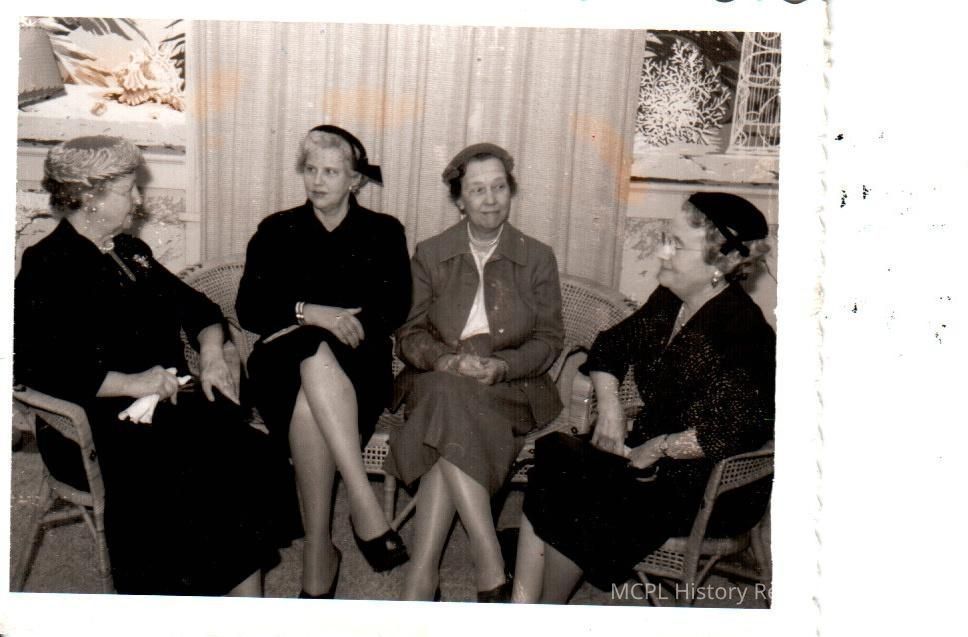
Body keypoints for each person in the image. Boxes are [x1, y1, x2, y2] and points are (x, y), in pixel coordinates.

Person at [14, 136, 300, 596]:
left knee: (250, 455)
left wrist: (213, 354)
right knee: (202, 475)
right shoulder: (47, 264)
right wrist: (132, 382)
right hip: (97, 422)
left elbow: (198, 306)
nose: (139, 199)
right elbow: (38, 367)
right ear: (89, 197)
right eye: (128, 189)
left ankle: (245, 608)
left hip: (168, 402)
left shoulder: (128, 250)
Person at [513, 192, 775, 603]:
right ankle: (522, 610)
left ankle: (547, 613)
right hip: (649, 457)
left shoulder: (744, 333)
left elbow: (731, 431)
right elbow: (610, 346)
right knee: (555, 459)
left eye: (677, 245)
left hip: (708, 484)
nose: (662, 252)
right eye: (666, 239)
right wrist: (611, 408)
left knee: (583, 496)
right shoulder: (671, 299)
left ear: (720, 263)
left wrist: (656, 449)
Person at [236, 125, 412, 598]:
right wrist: (310, 313)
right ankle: (362, 500)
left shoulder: (384, 231)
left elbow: (395, 306)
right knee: (310, 348)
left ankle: (319, 549)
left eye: (331, 172)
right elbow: (249, 308)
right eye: (311, 169)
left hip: (358, 361)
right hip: (280, 363)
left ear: (355, 179)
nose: (317, 180)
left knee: (313, 381)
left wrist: (343, 324)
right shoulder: (277, 229)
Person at [384, 143, 564, 602]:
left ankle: (423, 574)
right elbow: (408, 333)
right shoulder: (431, 253)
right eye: (478, 190)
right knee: (448, 392)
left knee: (447, 410)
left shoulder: (537, 256)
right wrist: (446, 360)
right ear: (459, 200)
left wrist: (503, 366)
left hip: (511, 385)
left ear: (510, 191)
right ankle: (489, 562)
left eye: (499, 187)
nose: (490, 199)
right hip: (438, 375)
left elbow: (549, 339)